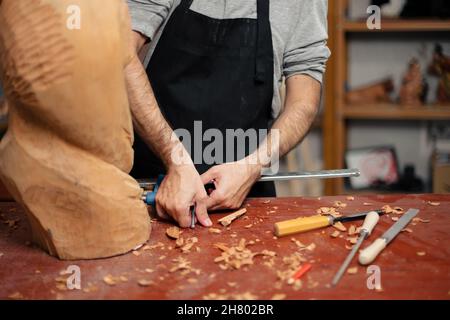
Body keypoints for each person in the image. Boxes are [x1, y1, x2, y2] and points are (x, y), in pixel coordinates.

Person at [125, 0, 330, 228]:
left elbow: (303, 102)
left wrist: (254, 166)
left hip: (245, 190)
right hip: (155, 184)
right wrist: (176, 160)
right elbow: (120, 56)